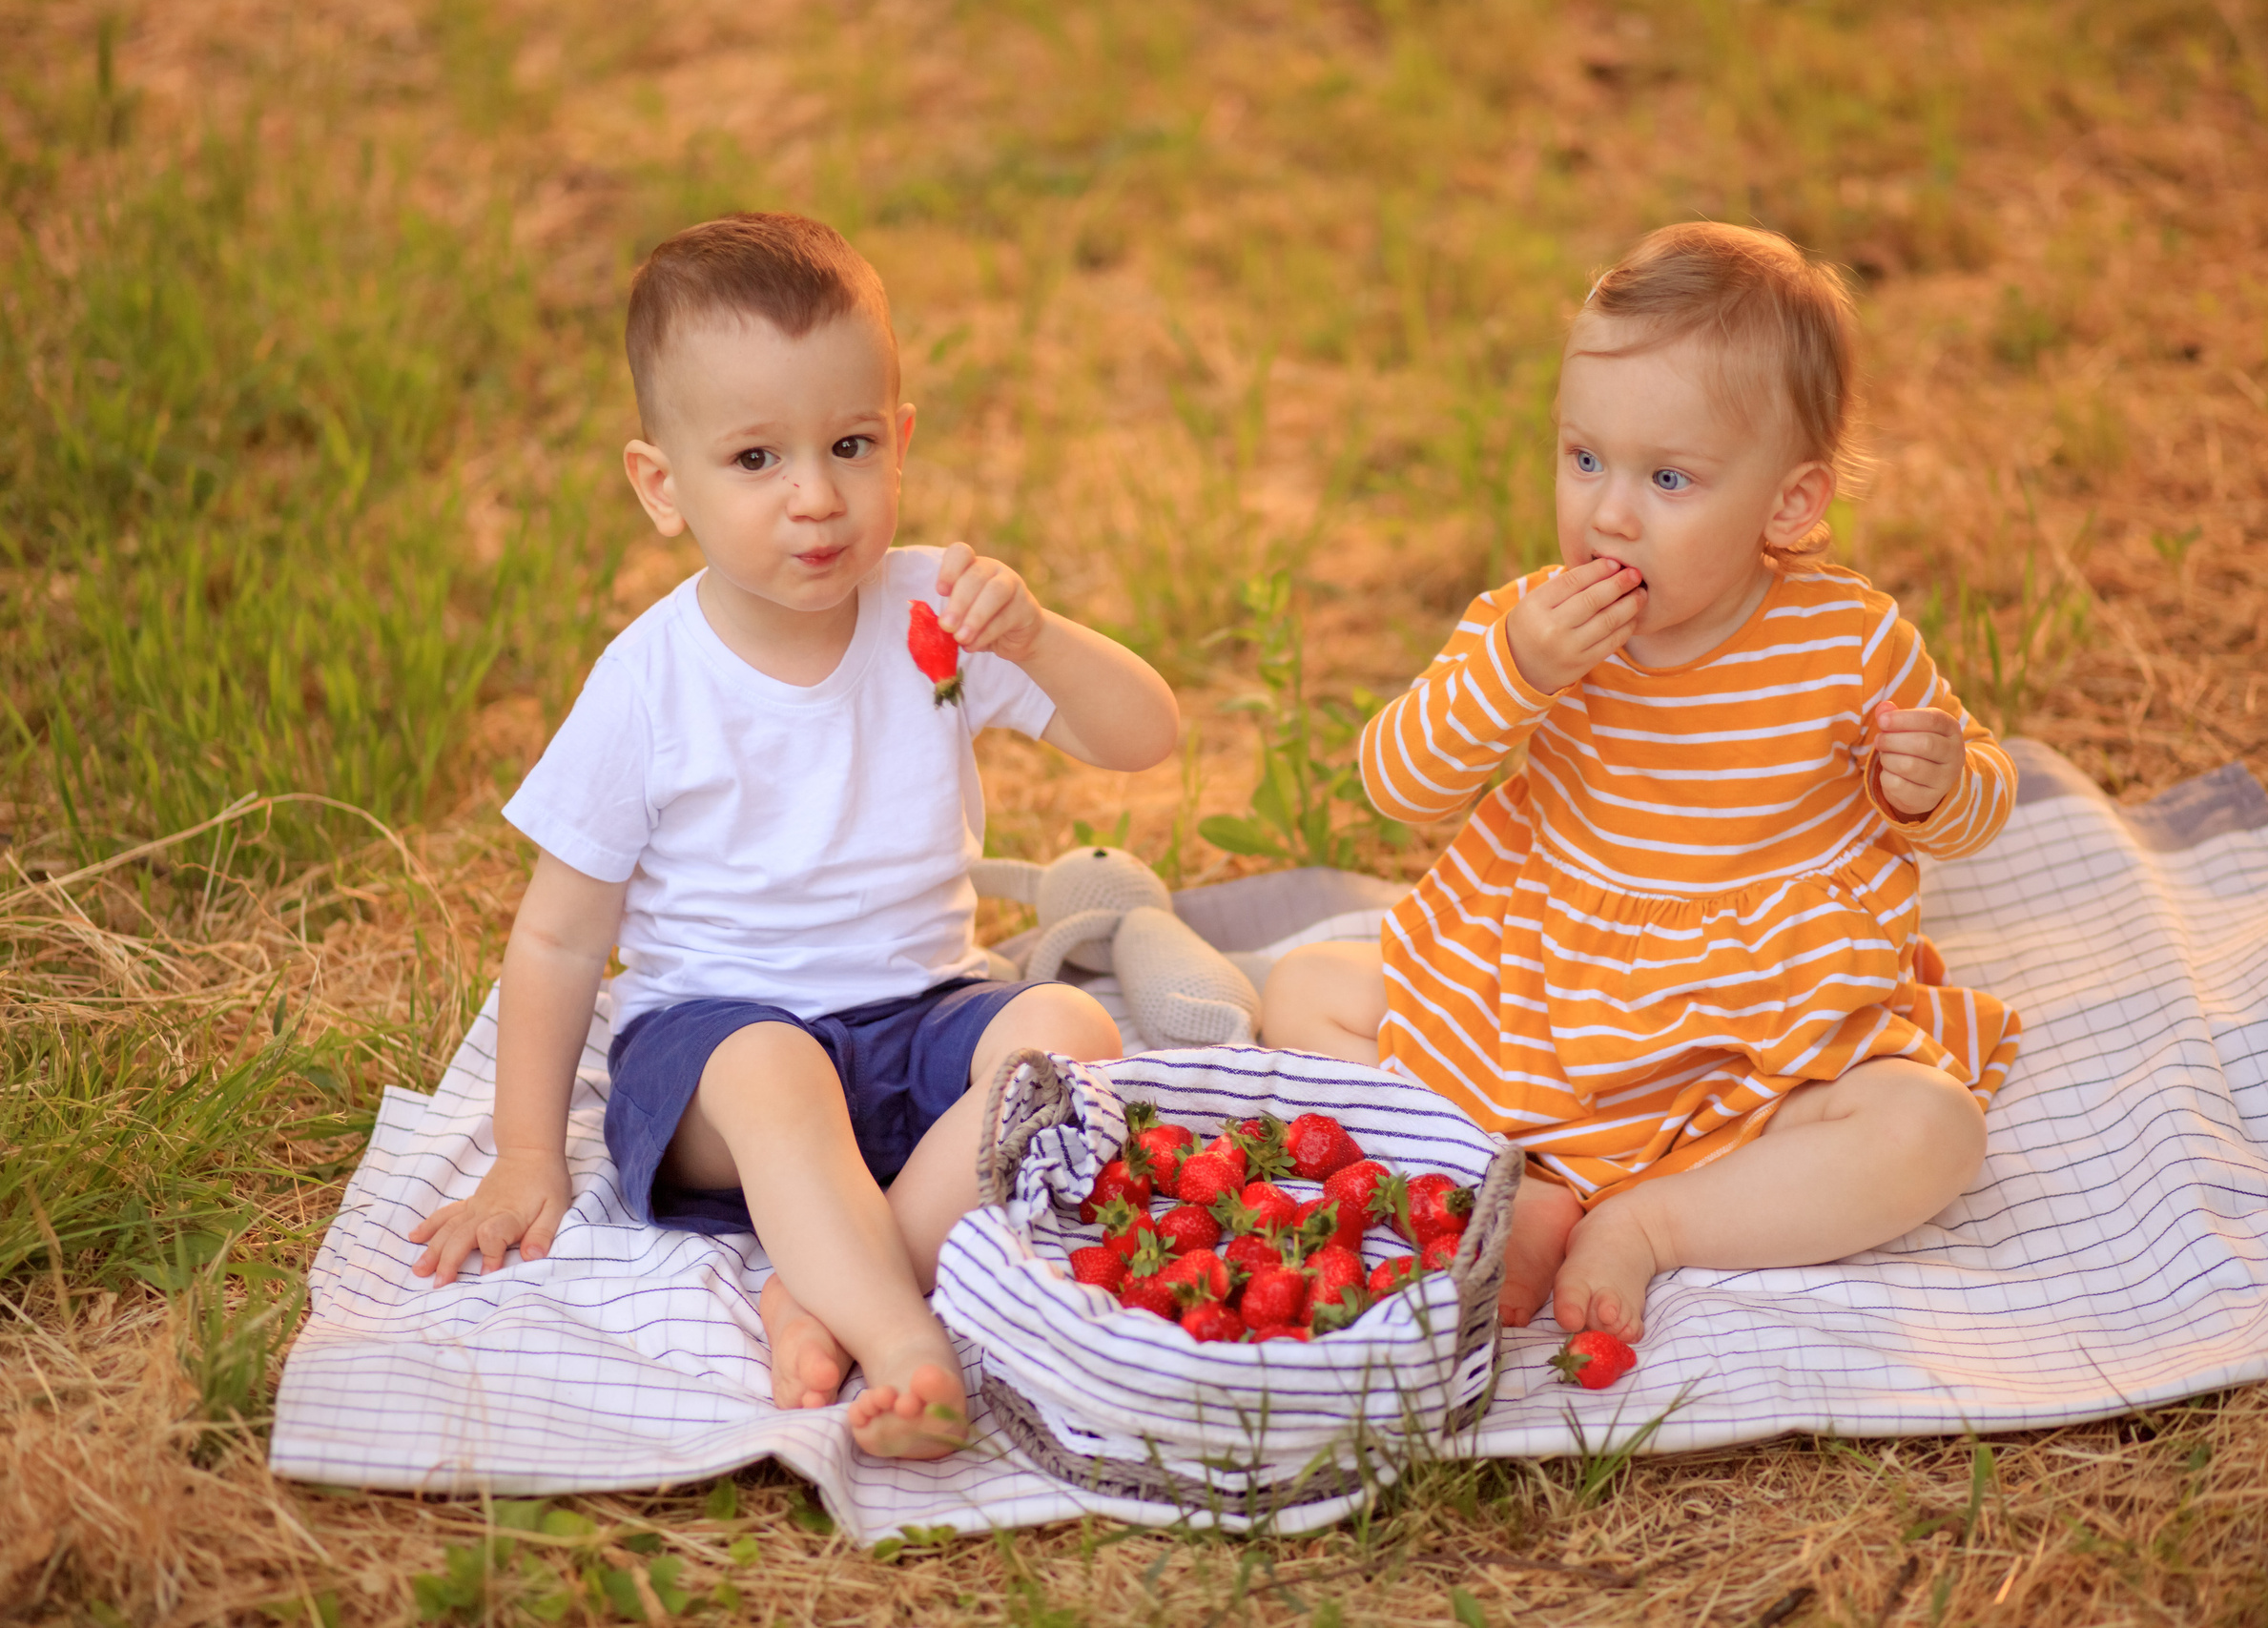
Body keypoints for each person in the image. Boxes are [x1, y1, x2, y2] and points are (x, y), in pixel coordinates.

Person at [406, 213, 1178, 1458]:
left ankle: (820, 1282)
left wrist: (1040, 640)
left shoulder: (934, 610)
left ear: (901, 439)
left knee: (1069, 1034)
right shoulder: (651, 681)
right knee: (779, 1072)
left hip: (922, 1016)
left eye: (850, 444)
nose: (816, 495)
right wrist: (522, 1156)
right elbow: (556, 938)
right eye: (756, 458)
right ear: (665, 485)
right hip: (722, 1051)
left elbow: (1144, 734)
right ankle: (910, 1346)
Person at [1263, 222, 2021, 1346]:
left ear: (1789, 506)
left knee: (1931, 1128)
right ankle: (1510, 1182)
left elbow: (1980, 799)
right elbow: (1399, 784)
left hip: (1751, 1034)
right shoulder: (1533, 626)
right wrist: (1512, 673)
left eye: (1668, 477)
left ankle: (1651, 1221)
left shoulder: (1846, 641)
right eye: (1583, 460)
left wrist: (1937, 783)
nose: (1609, 512)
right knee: (1303, 992)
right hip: (1546, 992)